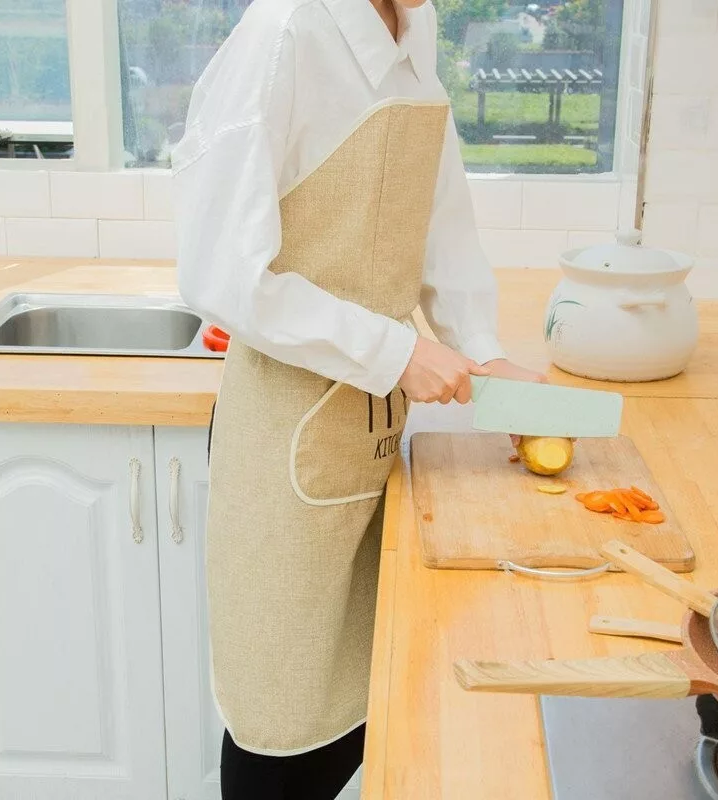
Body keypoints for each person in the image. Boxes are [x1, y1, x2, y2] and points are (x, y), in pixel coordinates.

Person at [172, 0, 544, 796]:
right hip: (282, 450)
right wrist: (396, 351)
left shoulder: (417, 29)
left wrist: (485, 352)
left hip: (371, 443)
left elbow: (437, 220)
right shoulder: (284, 34)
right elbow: (219, 270)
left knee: (374, 708)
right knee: (282, 730)